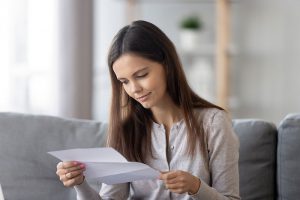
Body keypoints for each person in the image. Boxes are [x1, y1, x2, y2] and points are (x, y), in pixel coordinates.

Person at [56, 20, 240, 200]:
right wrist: (80, 184)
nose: (134, 89)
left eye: (142, 75)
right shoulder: (126, 130)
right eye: (124, 82)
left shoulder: (214, 122)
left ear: (167, 65)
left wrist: (196, 187)